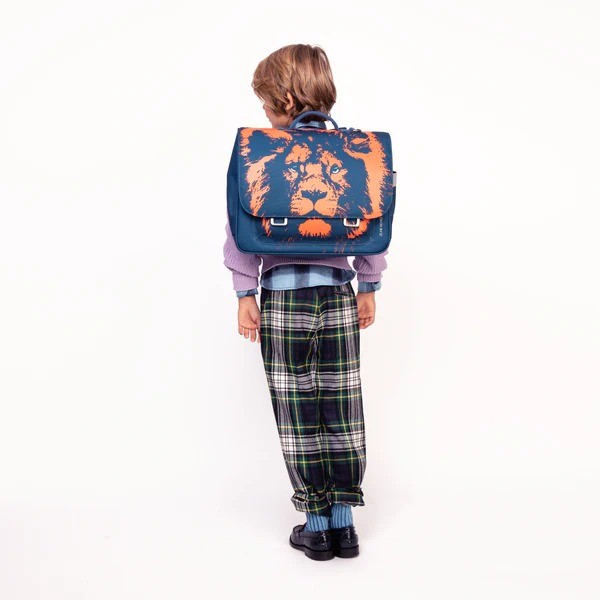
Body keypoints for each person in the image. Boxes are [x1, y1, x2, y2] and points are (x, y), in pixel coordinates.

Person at [222, 43, 389, 561]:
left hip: (282, 300)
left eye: (267, 105)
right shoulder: (355, 151)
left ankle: (316, 526)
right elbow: (374, 218)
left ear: (287, 100)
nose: (264, 115)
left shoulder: (260, 152)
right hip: (338, 295)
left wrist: (245, 291)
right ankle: (345, 525)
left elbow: (239, 225)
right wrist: (368, 284)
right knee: (342, 404)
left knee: (297, 408)